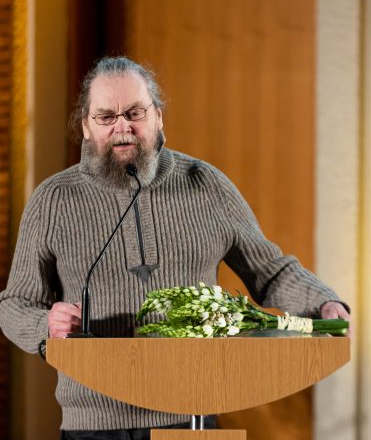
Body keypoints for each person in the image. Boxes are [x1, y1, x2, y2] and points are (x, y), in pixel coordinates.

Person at [0, 56, 350, 439]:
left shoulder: (206, 184)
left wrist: (324, 303)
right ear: (86, 126)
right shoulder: (53, 199)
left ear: (159, 118)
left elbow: (271, 271)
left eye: (135, 112)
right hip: (93, 426)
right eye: (106, 117)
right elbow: (15, 305)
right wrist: (45, 325)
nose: (123, 128)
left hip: (192, 418)